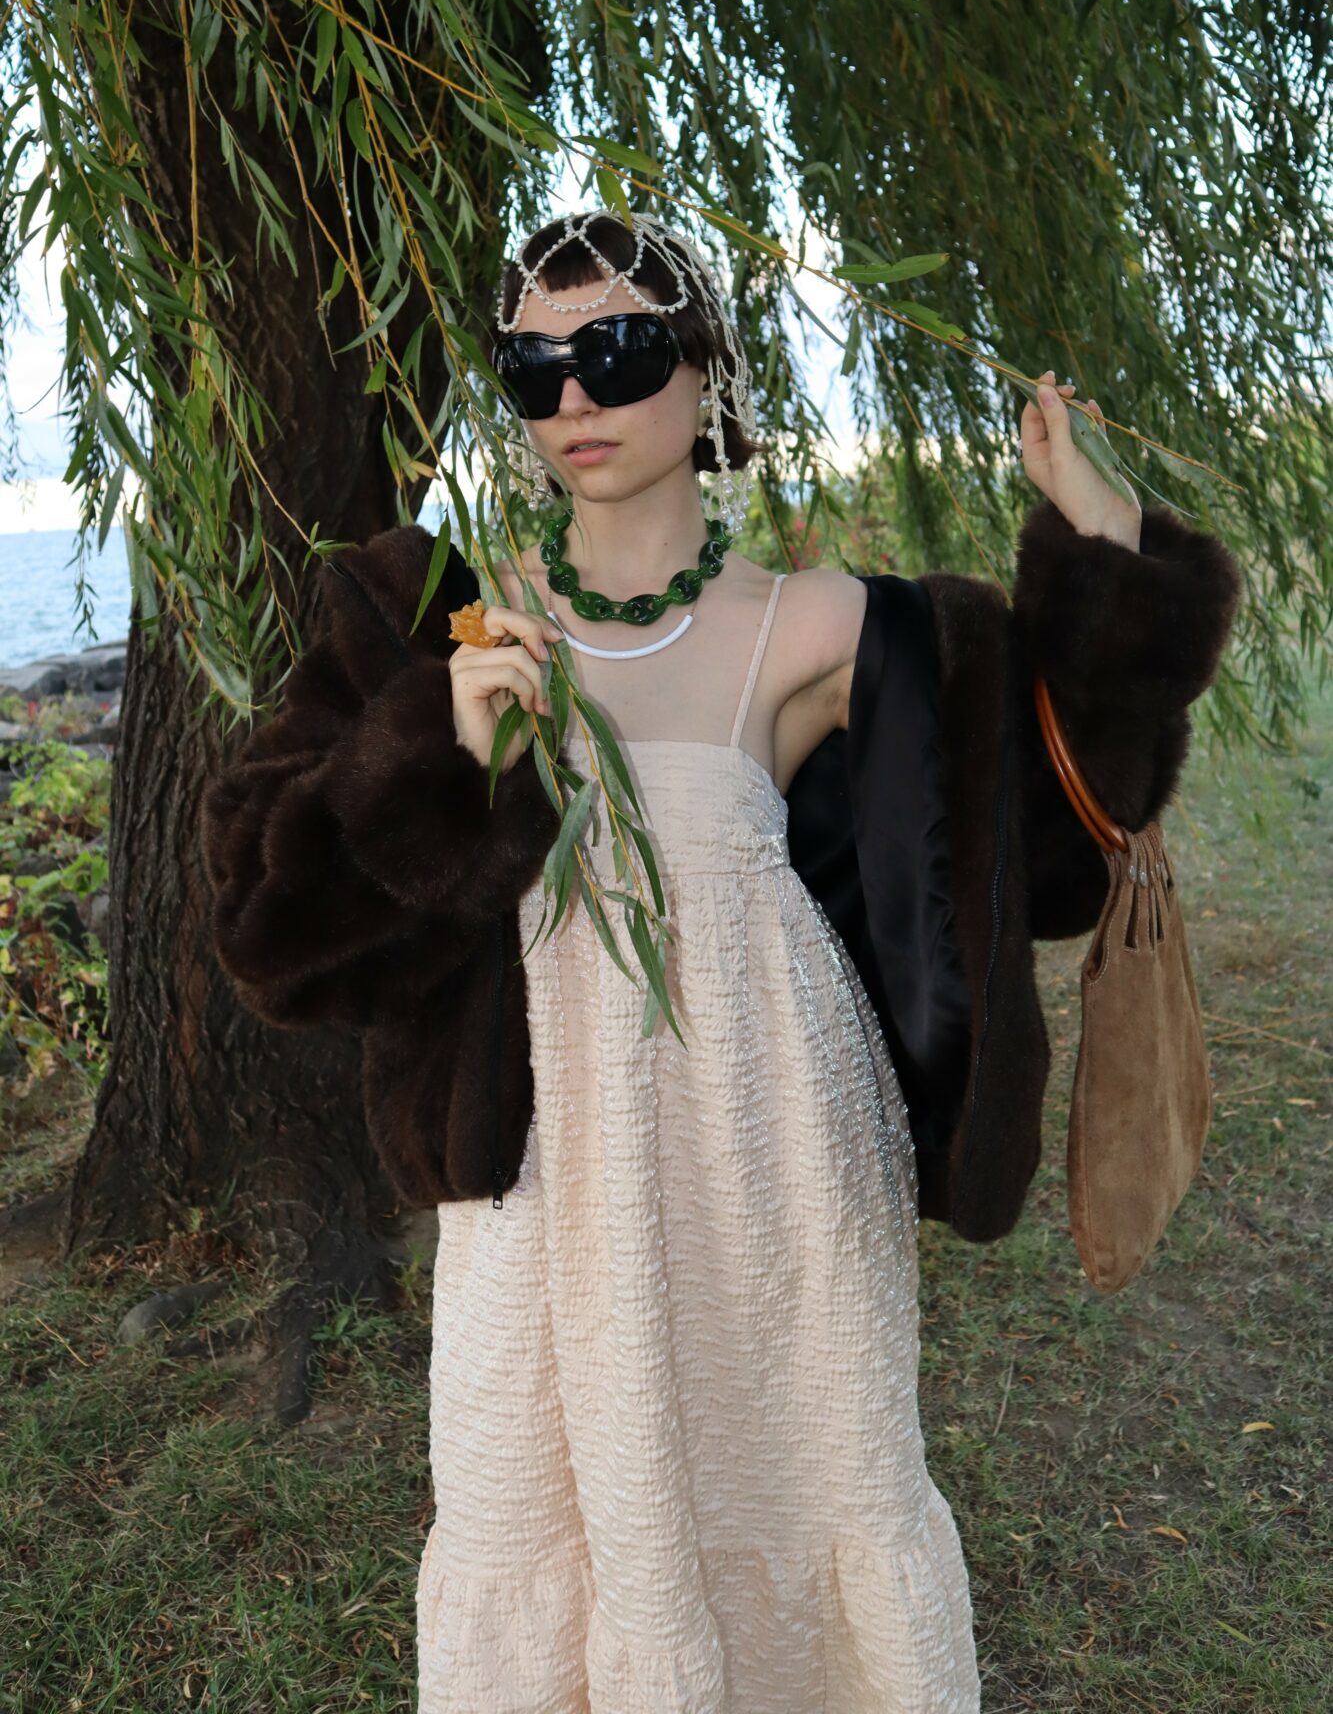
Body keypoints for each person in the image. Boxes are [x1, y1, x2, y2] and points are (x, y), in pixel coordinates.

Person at [201, 212, 1242, 1713]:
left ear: (709, 372)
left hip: (780, 1172)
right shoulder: (437, 620)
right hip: (543, 1185)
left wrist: (1103, 541)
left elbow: (1062, 835)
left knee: (802, 1505)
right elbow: (269, 931)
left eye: (619, 352)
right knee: (544, 1528)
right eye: (534, 368)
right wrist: (440, 755)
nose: (574, 398)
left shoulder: (825, 627)